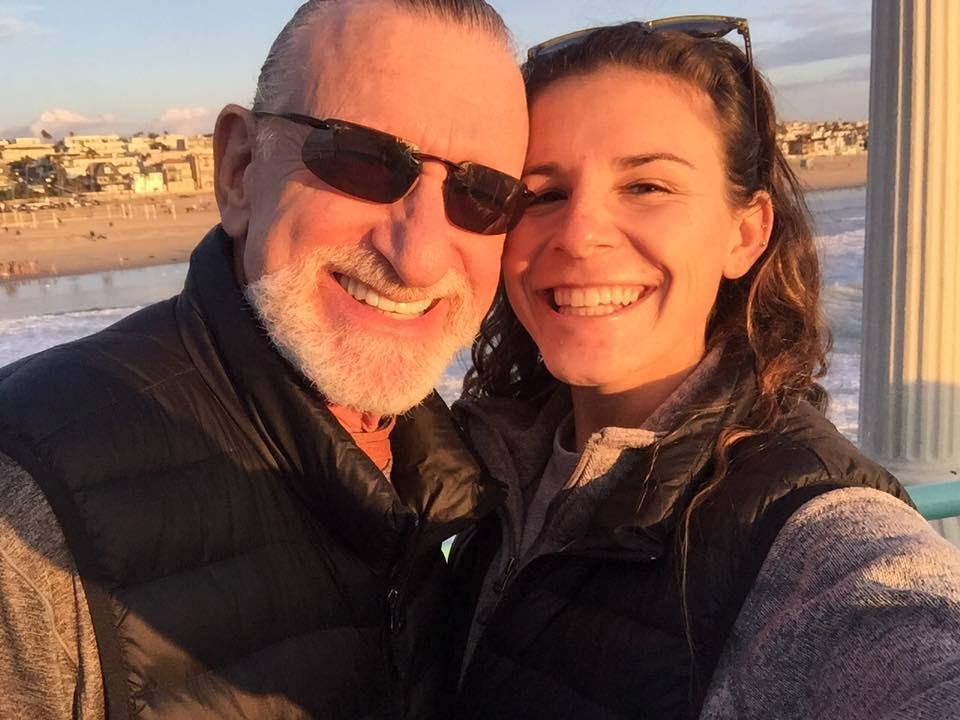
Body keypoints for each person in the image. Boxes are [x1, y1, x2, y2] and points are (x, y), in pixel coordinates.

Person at [0, 1, 528, 717]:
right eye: (364, 159)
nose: (420, 258)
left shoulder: (471, 477)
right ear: (240, 170)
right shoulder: (27, 514)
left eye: (484, 193)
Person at [450, 17, 960, 720]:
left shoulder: (813, 540)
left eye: (647, 186)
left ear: (745, 233)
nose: (579, 234)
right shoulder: (485, 463)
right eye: (543, 194)